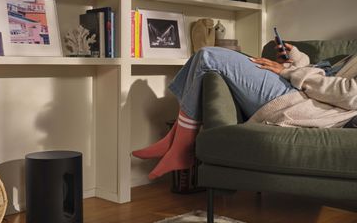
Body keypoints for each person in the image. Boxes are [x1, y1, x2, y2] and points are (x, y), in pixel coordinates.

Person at [132, 43, 357, 180]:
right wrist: (296, 60)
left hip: (299, 103)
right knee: (203, 60)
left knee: (208, 56)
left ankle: (181, 146)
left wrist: (292, 71)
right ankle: (176, 140)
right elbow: (326, 75)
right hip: (296, 89)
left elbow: (350, 94)